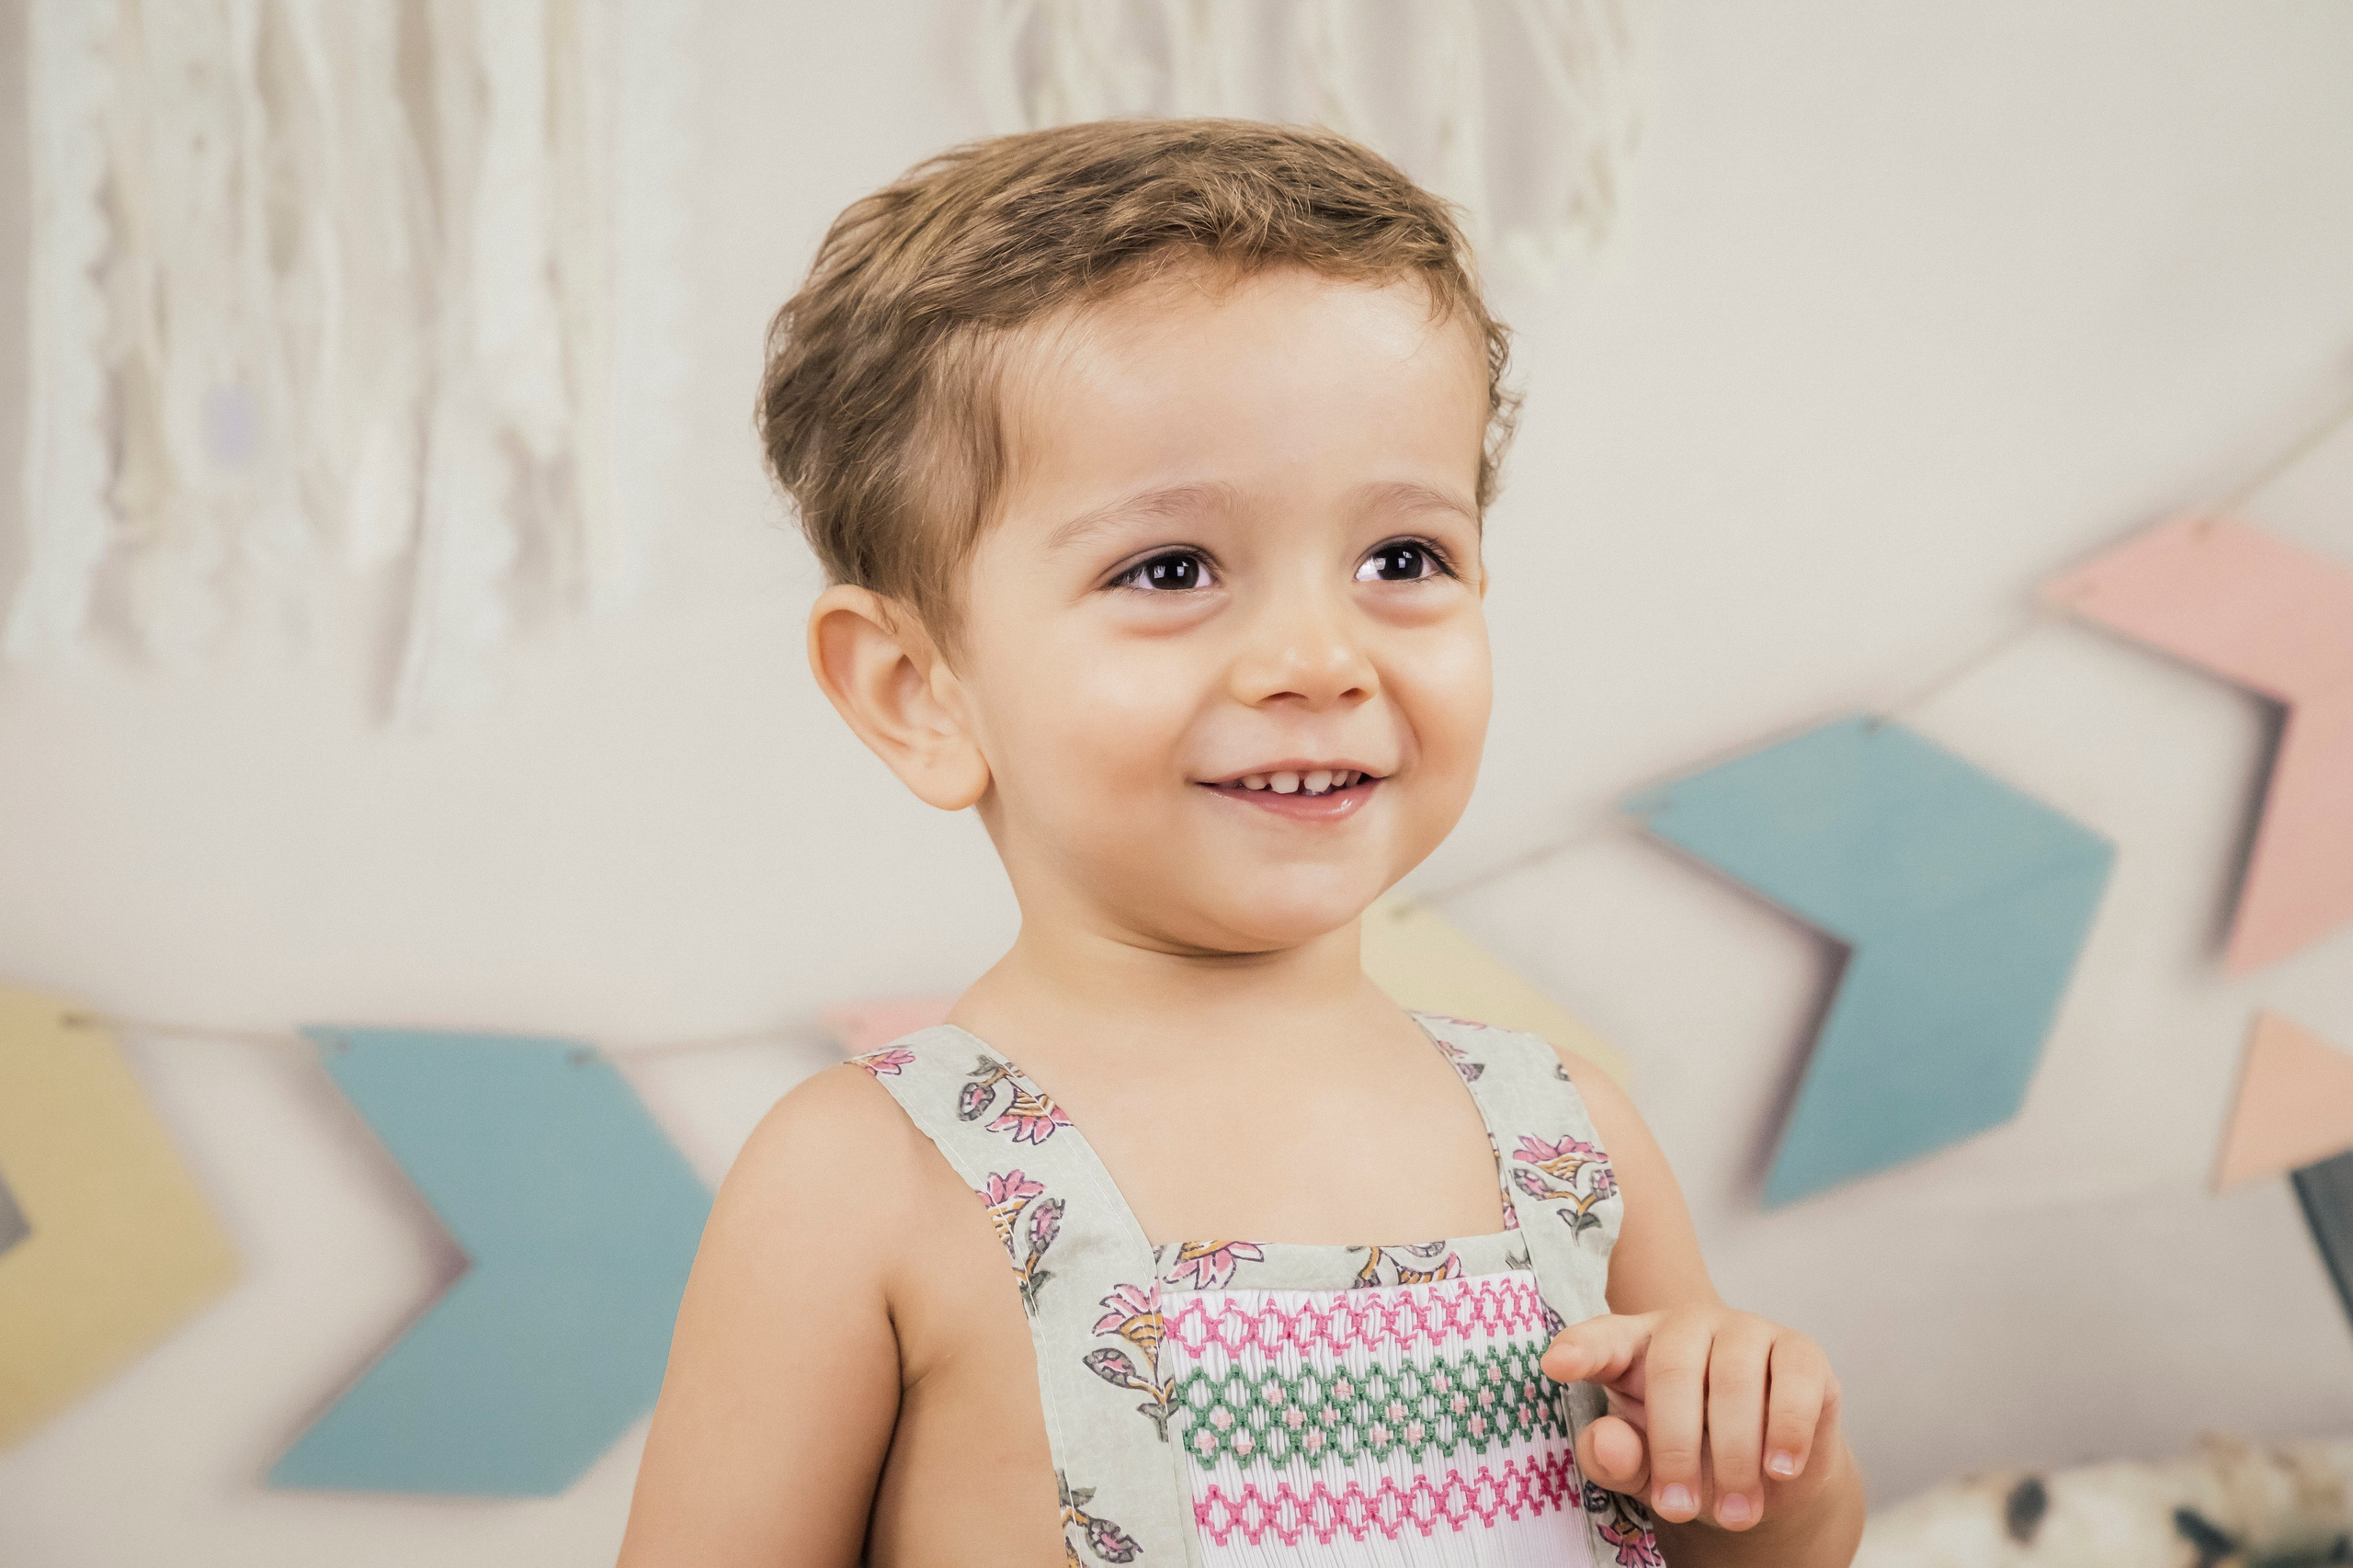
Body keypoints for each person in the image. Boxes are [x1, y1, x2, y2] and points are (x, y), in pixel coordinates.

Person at [618, 119, 1864, 1568]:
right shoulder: (862, 1184)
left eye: (1403, 559)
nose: (1318, 657)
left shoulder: (1571, 1136)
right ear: (920, 692)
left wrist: (1778, 1480)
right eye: (1171, 567)